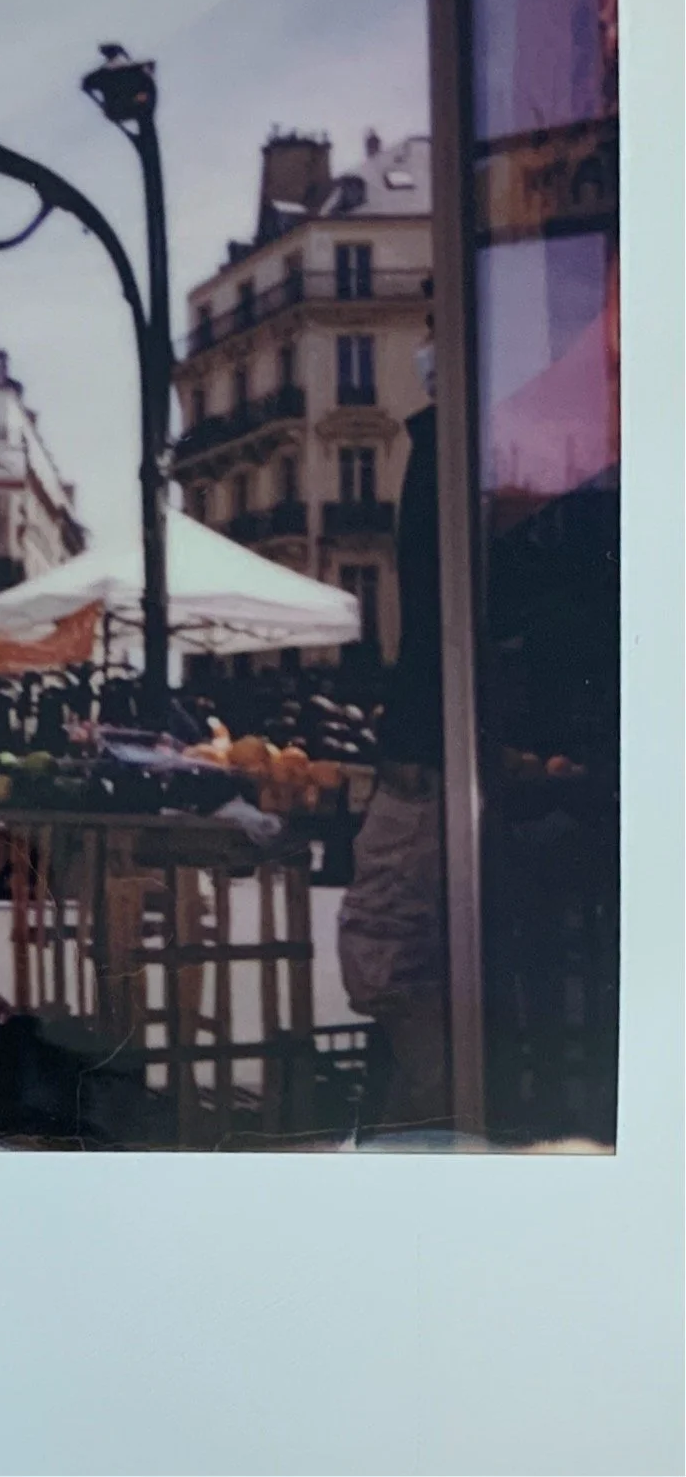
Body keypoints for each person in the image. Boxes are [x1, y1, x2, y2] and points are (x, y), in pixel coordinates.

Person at [337, 280, 449, 1137]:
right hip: (437, 737)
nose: (428, 340)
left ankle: (429, 1107)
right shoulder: (451, 444)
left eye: (441, 321)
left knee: (383, 958)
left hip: (429, 748)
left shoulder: (454, 447)